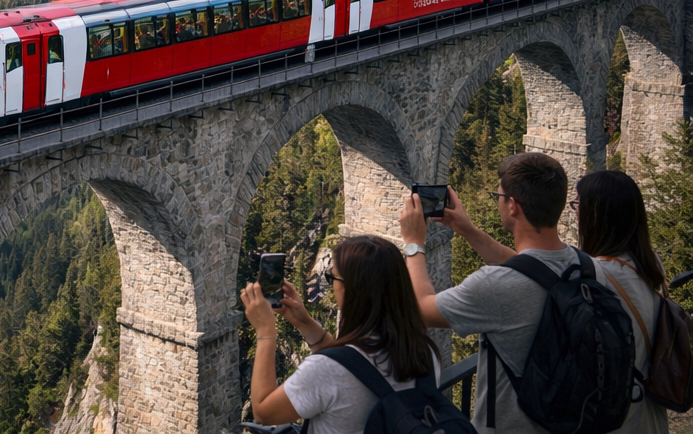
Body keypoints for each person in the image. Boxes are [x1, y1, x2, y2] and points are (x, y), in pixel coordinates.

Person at [399, 151, 579, 432]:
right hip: (572, 419)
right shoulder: (583, 264)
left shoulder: (494, 287)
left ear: (513, 206)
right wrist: (468, 230)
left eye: (499, 197)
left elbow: (421, 309)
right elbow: (530, 268)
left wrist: (413, 244)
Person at [241, 235, 443, 434]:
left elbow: (263, 412)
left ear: (349, 290)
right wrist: (305, 322)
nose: (332, 285)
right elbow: (354, 365)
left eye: (333, 278)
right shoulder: (424, 351)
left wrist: (265, 332)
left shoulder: (325, 371)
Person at [577, 170, 670, 434]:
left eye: (578, 205)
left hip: (615, 420)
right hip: (649, 415)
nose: (574, 213)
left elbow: (532, 272)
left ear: (598, 215)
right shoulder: (649, 262)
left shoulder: (596, 275)